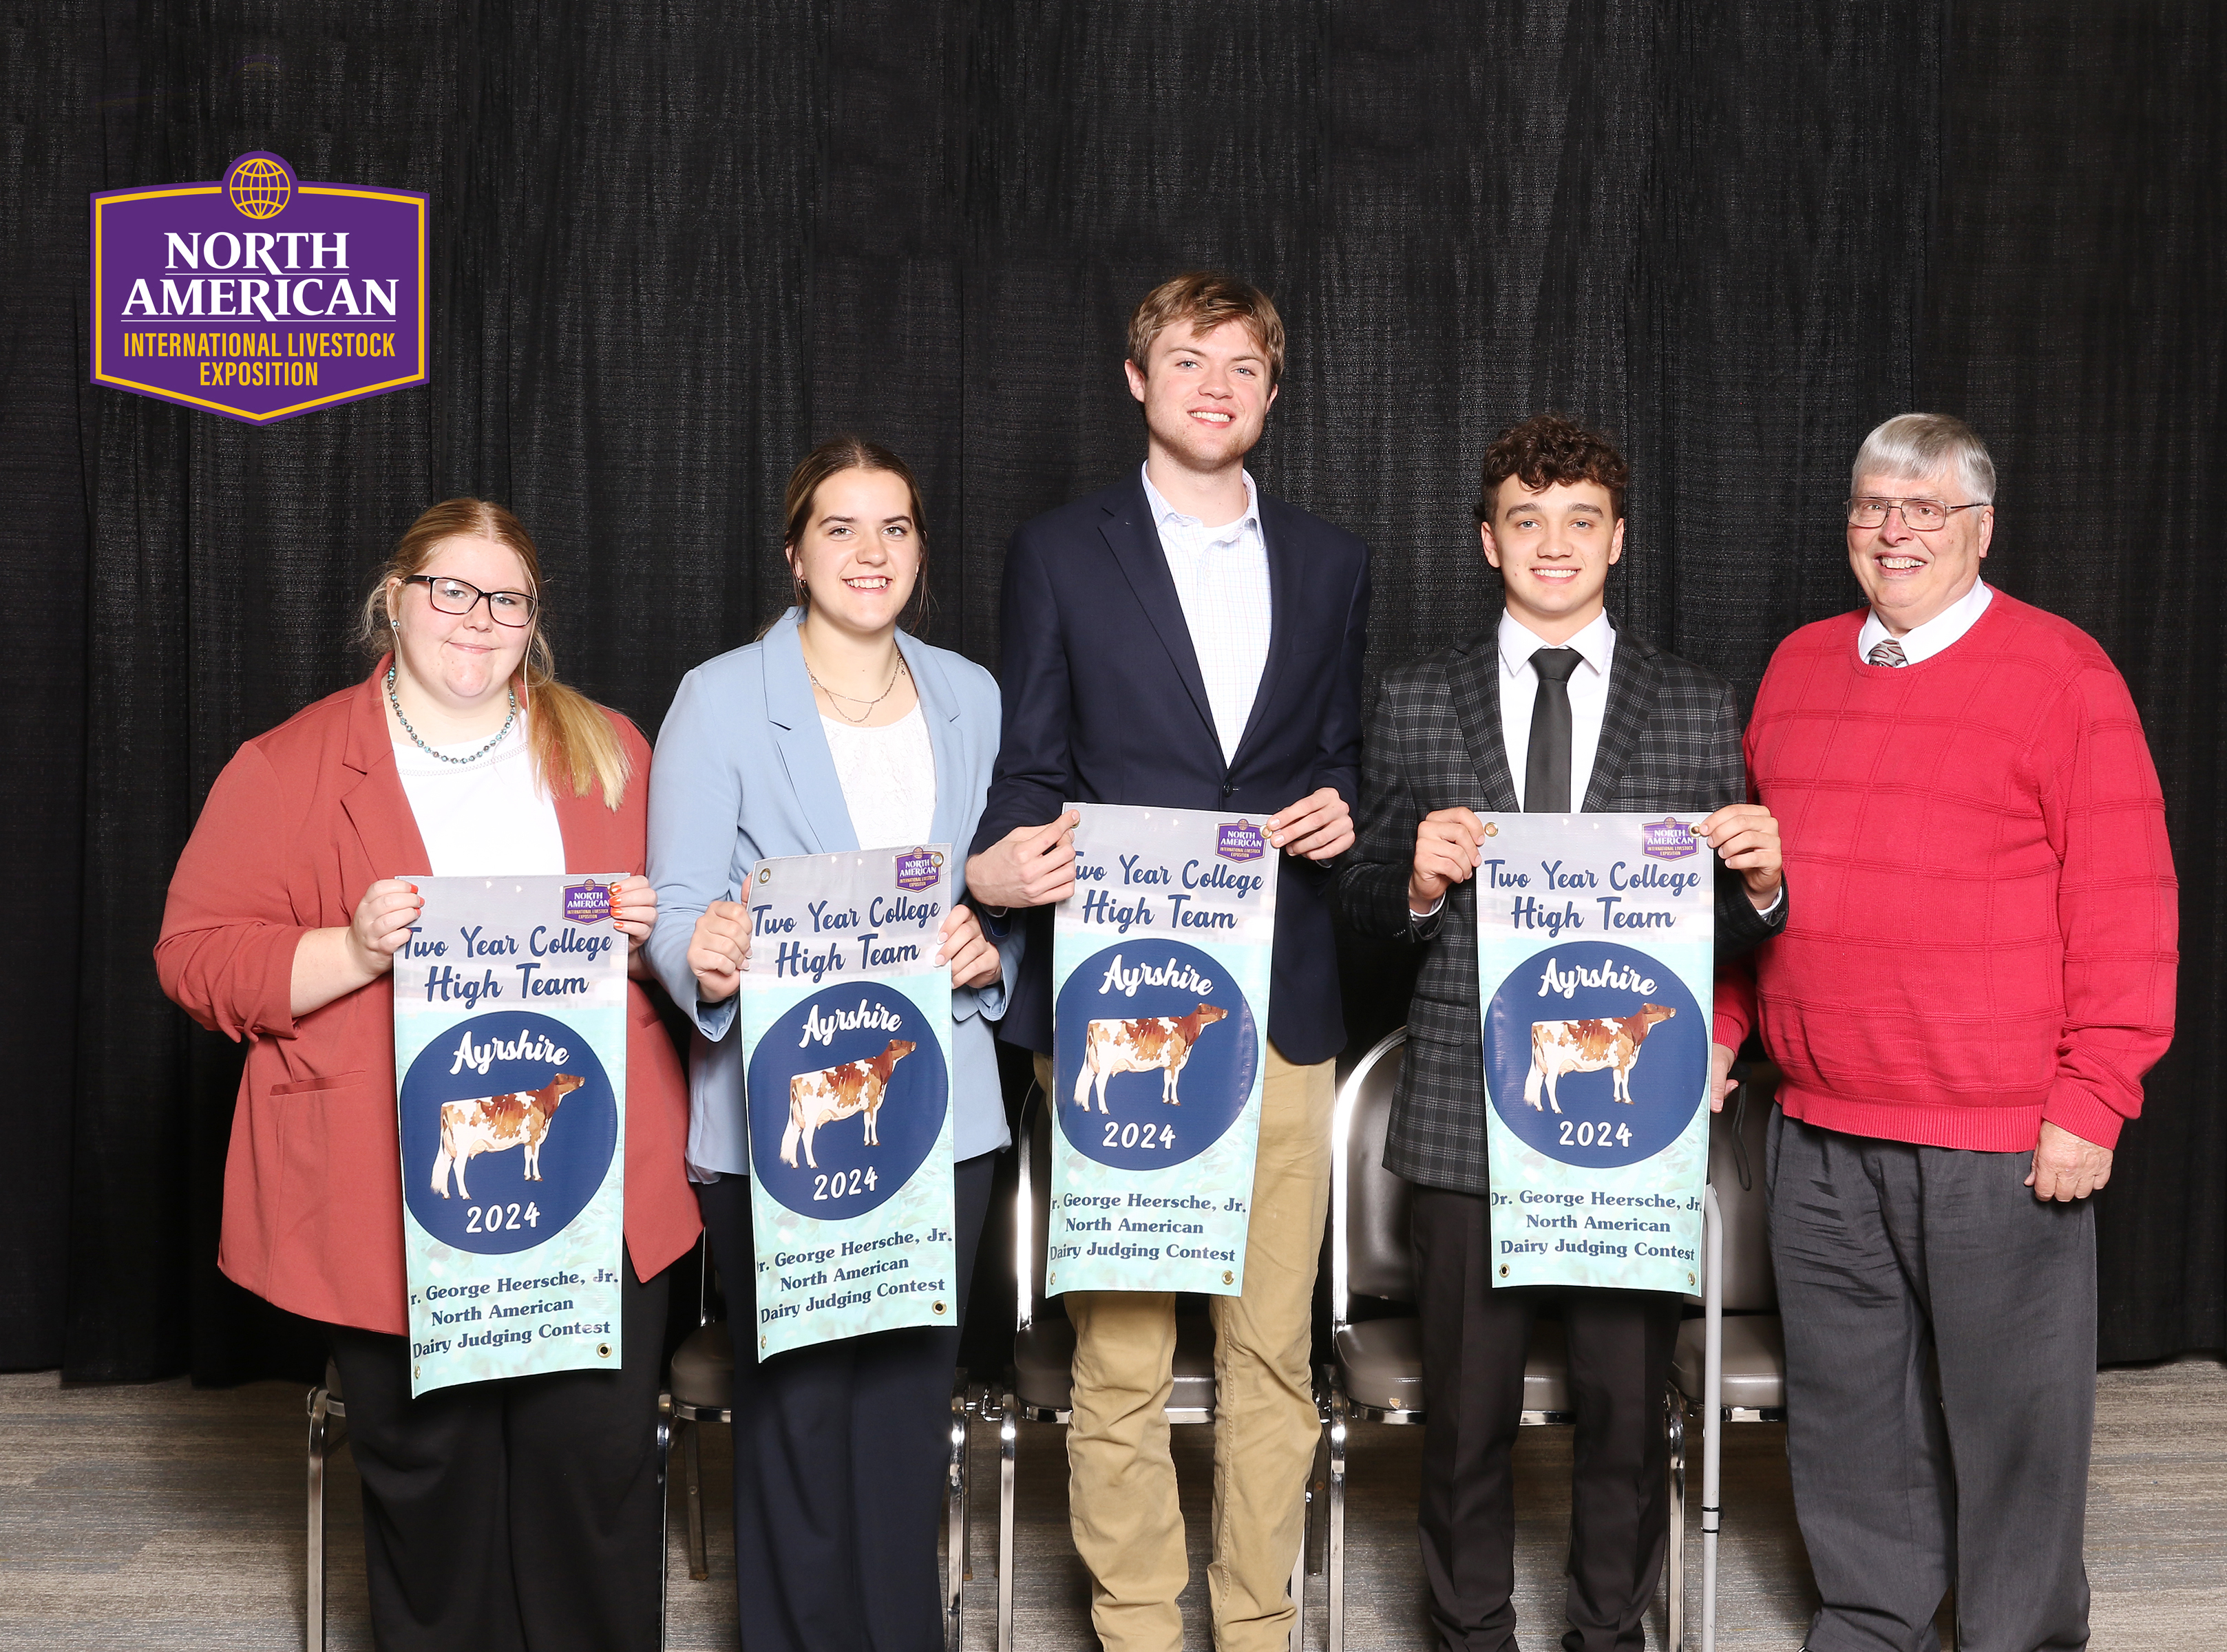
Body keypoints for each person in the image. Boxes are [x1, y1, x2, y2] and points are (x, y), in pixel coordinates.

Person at [156, 500, 700, 1652]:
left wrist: (664, 932)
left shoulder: (610, 747)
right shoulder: (290, 763)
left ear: (534, 622)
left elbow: (705, 942)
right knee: (433, 1493)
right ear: (392, 599)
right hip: (390, 1194)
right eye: (450, 590)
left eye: (507, 599)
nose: (477, 619)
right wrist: (350, 951)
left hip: (586, 1185)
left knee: (594, 1488)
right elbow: (195, 958)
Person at [1722, 413, 2178, 1652]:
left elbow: (2129, 900)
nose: (1896, 530)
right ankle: (1873, 1620)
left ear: (1982, 528)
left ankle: (2019, 1635)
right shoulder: (1799, 663)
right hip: (1818, 1122)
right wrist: (1722, 1025)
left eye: (1926, 509)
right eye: (1875, 505)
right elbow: (1757, 884)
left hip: (1997, 1129)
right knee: (1848, 1411)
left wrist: (2095, 1098)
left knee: (2013, 1417)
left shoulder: (2063, 674)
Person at [1333, 414, 1786, 1652]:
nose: (1554, 543)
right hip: (1462, 1119)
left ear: (1619, 539)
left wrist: (1760, 886)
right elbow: (1362, 904)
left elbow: (1720, 934)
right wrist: (1415, 880)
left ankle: (1608, 1631)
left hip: (1626, 1126)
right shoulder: (1419, 697)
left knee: (1625, 1411)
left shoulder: (1694, 705)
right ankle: (1468, 1631)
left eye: (1581, 519)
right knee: (1466, 1418)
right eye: (1527, 520)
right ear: (1489, 541)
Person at [964, 271, 1369, 1652]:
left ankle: (1255, 1626)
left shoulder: (1331, 561)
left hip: (1282, 1011)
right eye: (1187, 359)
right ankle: (1139, 1623)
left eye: (1243, 365)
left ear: (1270, 392)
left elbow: (1333, 765)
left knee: (1274, 1349)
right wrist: (1013, 863)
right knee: (1123, 1356)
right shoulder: (1059, 553)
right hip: (1120, 1010)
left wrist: (1341, 814)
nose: (1215, 383)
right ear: (1137, 381)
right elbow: (1030, 768)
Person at [646, 435, 1017, 1652]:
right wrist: (701, 957)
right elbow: (682, 900)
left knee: (911, 1411)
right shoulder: (718, 697)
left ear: (921, 549)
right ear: (795, 552)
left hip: (935, 1107)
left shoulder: (972, 694)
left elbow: (987, 900)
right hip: (776, 1116)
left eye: (896, 529)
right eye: (842, 529)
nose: (872, 553)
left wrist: (988, 956)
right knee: (799, 1409)